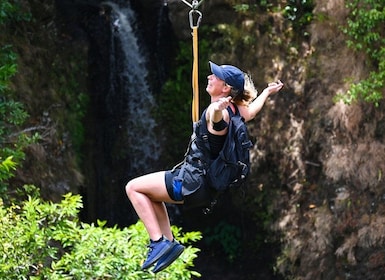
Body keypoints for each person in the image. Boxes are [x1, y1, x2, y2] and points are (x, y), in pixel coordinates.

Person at [125, 61, 284, 273]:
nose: (209, 77)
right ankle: (168, 242)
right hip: (204, 187)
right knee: (151, 194)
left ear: (225, 88)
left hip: (190, 181)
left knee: (133, 188)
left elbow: (216, 121)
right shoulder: (237, 110)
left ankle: (158, 241)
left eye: (215, 76)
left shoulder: (217, 111)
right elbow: (252, 112)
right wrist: (266, 92)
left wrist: (217, 110)